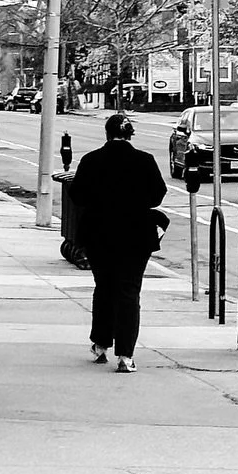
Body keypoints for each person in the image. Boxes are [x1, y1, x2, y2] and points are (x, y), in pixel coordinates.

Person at [66, 112, 167, 372]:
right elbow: (158, 195)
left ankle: (100, 343)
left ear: (107, 134)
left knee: (104, 287)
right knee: (129, 292)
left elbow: (77, 195)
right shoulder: (145, 160)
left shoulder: (91, 160)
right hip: (136, 235)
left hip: (99, 234)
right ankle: (125, 355)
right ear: (130, 135)